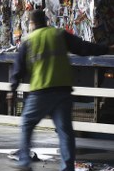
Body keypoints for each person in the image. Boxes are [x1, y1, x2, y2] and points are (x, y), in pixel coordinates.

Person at [8, 9, 114, 171]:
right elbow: (83, 48)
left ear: (32, 23)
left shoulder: (29, 41)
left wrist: (12, 89)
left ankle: (24, 162)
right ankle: (67, 167)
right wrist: (106, 49)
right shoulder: (59, 35)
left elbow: (18, 69)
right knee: (65, 131)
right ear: (45, 21)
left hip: (41, 91)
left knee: (27, 123)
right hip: (63, 92)